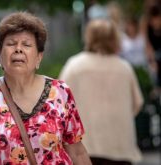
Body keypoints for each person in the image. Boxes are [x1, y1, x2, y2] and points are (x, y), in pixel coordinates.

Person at [0, 11, 92, 165]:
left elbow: (77, 152)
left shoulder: (60, 92)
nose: (18, 49)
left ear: (39, 57)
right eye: (11, 44)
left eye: (26, 44)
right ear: (0, 56)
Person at [59, 19, 143, 165]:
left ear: (89, 37)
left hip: (85, 148)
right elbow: (137, 103)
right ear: (114, 38)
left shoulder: (75, 66)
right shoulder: (124, 68)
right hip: (120, 146)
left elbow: (59, 102)